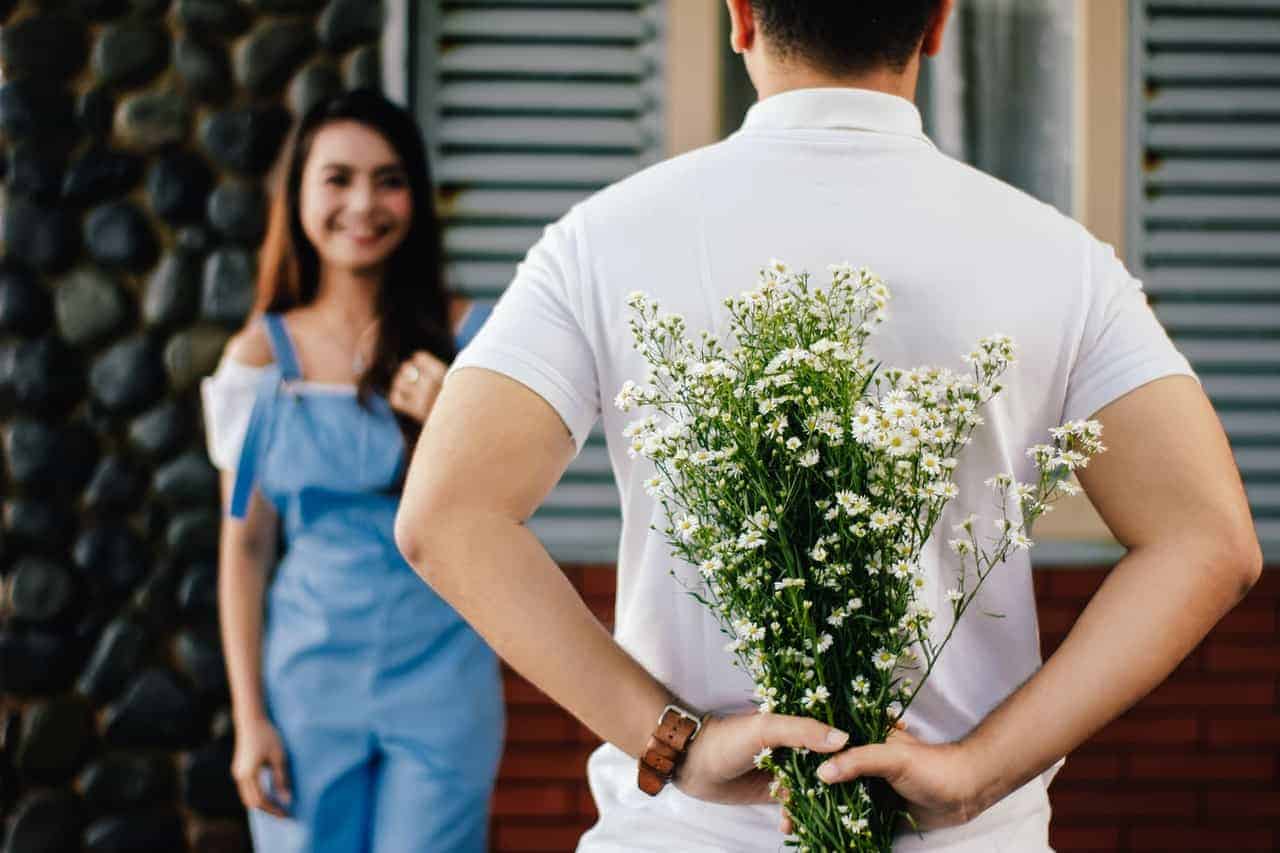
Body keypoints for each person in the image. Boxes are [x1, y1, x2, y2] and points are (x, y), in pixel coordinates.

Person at [393, 1, 1262, 850]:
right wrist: (978, 770)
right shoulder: (1062, 258)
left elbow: (446, 515)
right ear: (936, 23)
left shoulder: (601, 240)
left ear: (740, 18)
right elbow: (1210, 540)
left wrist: (675, 743)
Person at [201, 89, 502, 853]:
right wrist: (250, 718)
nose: (363, 203)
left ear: (417, 196)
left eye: (389, 178)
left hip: (445, 677)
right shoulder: (260, 358)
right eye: (338, 178)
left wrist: (452, 425)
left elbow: (512, 516)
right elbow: (244, 547)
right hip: (305, 684)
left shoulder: (475, 340)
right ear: (298, 192)